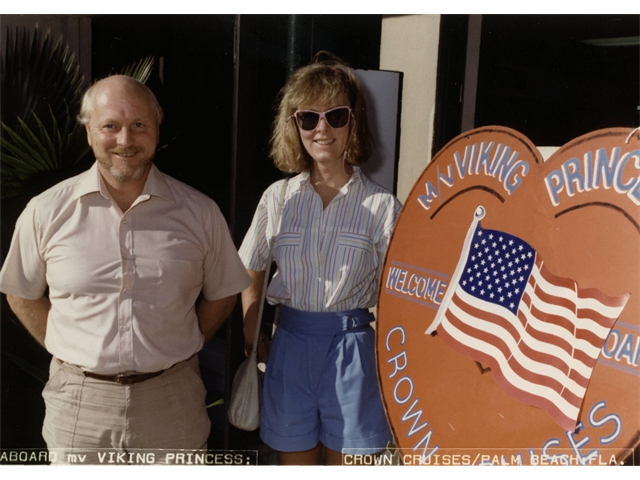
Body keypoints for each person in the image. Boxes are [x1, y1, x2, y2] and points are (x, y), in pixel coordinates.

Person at [0, 75, 251, 463]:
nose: (125, 140)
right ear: (89, 132)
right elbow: (20, 292)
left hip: (172, 403)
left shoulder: (199, 212)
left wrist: (180, 344)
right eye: (110, 126)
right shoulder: (46, 211)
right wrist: (67, 348)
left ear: (156, 130)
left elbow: (224, 293)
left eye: (139, 125)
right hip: (79, 407)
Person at [238, 52, 402, 465]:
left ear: (354, 121)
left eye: (336, 116)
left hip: (355, 353)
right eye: (308, 118)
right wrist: (254, 338)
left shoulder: (384, 207)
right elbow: (250, 268)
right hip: (289, 348)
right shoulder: (277, 199)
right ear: (294, 126)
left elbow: (400, 294)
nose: (322, 128)